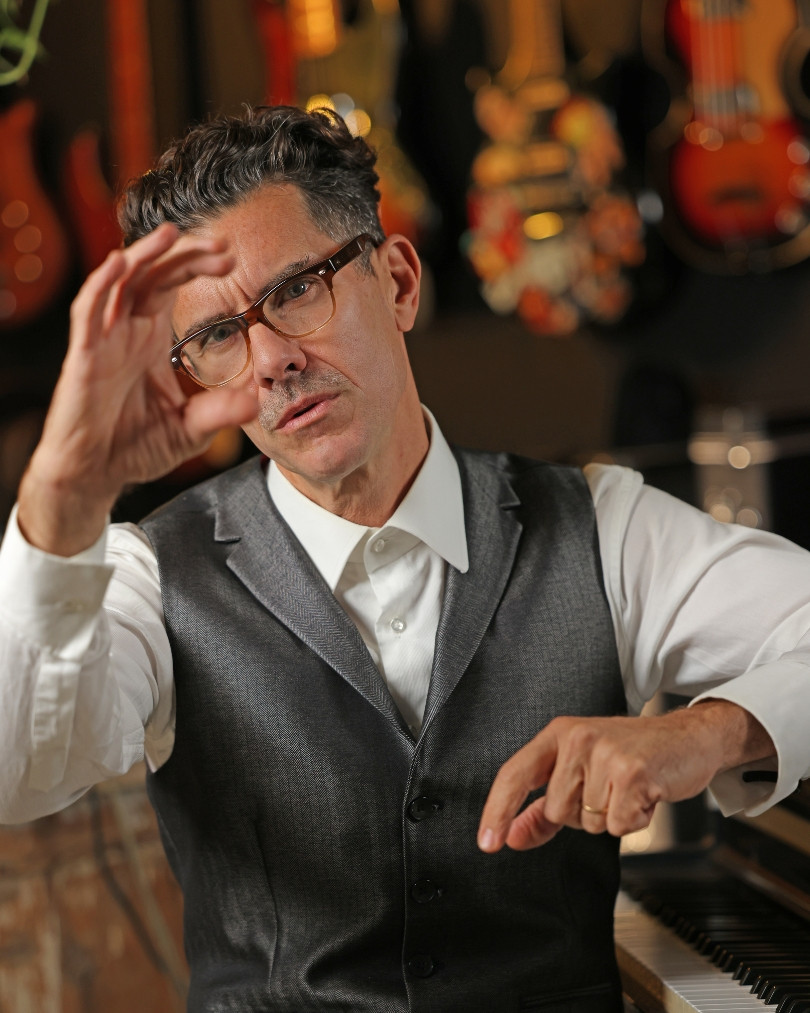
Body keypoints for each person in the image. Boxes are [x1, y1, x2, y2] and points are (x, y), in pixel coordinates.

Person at [0, 104, 809, 1013]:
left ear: (397, 281)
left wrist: (704, 732)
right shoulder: (149, 575)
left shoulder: (599, 528)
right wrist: (62, 501)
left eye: (296, 290)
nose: (271, 361)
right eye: (218, 336)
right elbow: (21, 772)